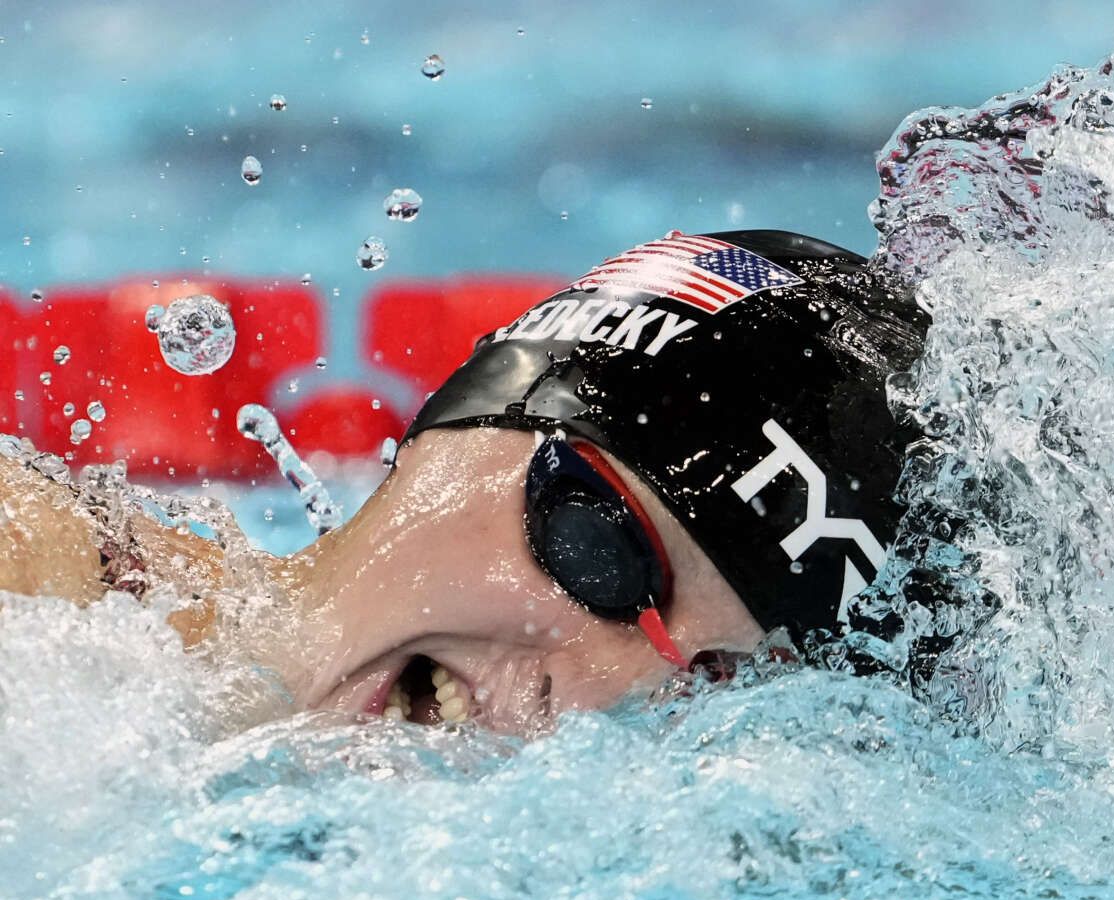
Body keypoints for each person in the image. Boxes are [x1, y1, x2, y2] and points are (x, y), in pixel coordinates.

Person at [0, 230, 930, 735]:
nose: (592, 702)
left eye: (711, 687)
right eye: (600, 552)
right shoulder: (31, 584)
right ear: (471, 418)